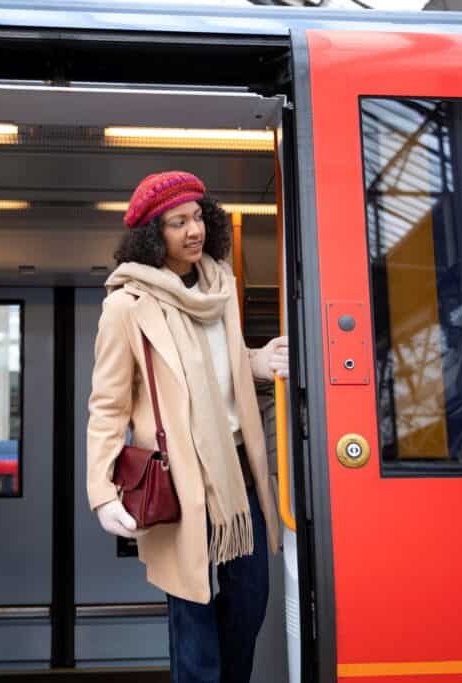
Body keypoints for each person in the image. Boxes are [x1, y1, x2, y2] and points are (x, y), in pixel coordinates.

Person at [86, 170, 289, 682]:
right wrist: (103, 494)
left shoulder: (220, 288)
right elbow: (108, 405)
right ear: (154, 235)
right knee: (193, 622)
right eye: (178, 223)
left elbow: (211, 364)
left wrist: (255, 362)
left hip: (237, 473)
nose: (194, 230)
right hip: (179, 479)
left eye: (198, 217)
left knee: (249, 604)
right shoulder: (126, 306)